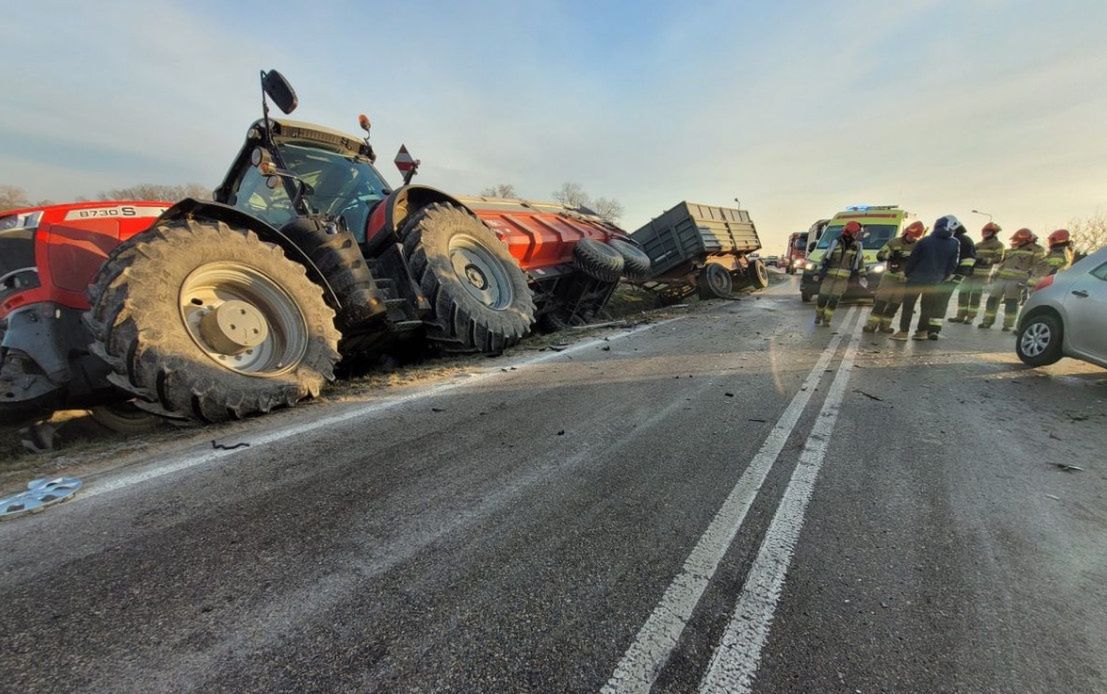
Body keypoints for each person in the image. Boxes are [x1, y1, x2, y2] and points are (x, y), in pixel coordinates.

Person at [891, 215, 960, 341]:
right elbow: (952, 264)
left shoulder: (925, 241)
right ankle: (922, 332)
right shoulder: (954, 243)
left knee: (908, 306)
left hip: (916, 279)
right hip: (935, 281)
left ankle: (903, 332)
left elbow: (913, 260)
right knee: (927, 307)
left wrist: (907, 273)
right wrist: (943, 277)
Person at [863, 221, 925, 333]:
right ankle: (871, 325)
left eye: (915, 236)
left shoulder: (918, 246)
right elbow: (880, 255)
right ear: (907, 231)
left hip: (904, 281)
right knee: (880, 303)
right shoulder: (894, 242)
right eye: (911, 235)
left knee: (894, 306)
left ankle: (885, 326)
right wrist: (891, 256)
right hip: (889, 278)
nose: (912, 238)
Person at [979, 228, 1046, 331]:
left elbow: (1038, 266)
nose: (1017, 242)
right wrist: (995, 275)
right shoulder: (1012, 249)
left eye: (1020, 240)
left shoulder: (1036, 250)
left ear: (1027, 239)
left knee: (1011, 303)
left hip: (1017, 280)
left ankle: (1007, 325)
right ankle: (987, 322)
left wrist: (1031, 279)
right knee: (992, 300)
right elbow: (1003, 264)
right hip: (1001, 278)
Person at [952, 222, 1004, 323]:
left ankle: (970, 317)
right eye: (984, 231)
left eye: (988, 231)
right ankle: (960, 316)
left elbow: (998, 259)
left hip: (982, 275)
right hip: (970, 273)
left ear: (994, 233)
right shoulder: (978, 245)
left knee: (975, 296)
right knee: (963, 294)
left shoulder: (998, 245)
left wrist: (984, 260)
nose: (985, 233)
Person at [814, 221, 863, 327]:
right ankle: (818, 315)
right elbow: (825, 257)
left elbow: (859, 261)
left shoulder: (857, 246)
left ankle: (827, 319)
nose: (857, 235)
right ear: (850, 232)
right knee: (822, 297)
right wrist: (818, 272)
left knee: (834, 299)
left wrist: (862, 275)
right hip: (829, 277)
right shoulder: (835, 242)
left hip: (843, 279)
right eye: (856, 232)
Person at [946, 221, 978, 322]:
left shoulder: (964, 240)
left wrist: (959, 274)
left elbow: (969, 260)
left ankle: (968, 317)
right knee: (961, 296)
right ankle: (960, 316)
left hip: (955, 275)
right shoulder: (953, 239)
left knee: (943, 298)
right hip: (949, 274)